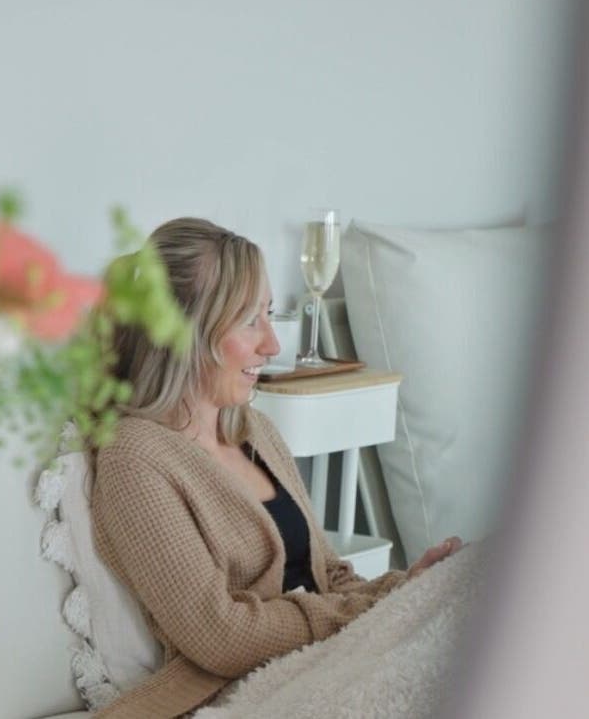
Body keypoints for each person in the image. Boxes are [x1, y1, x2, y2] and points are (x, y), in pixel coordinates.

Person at [91, 217, 462, 718]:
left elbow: (330, 577)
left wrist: (406, 588)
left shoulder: (256, 431)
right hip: (237, 689)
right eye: (250, 321)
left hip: (325, 658)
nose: (271, 345)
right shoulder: (136, 458)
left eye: (268, 315)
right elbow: (219, 637)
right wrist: (369, 610)